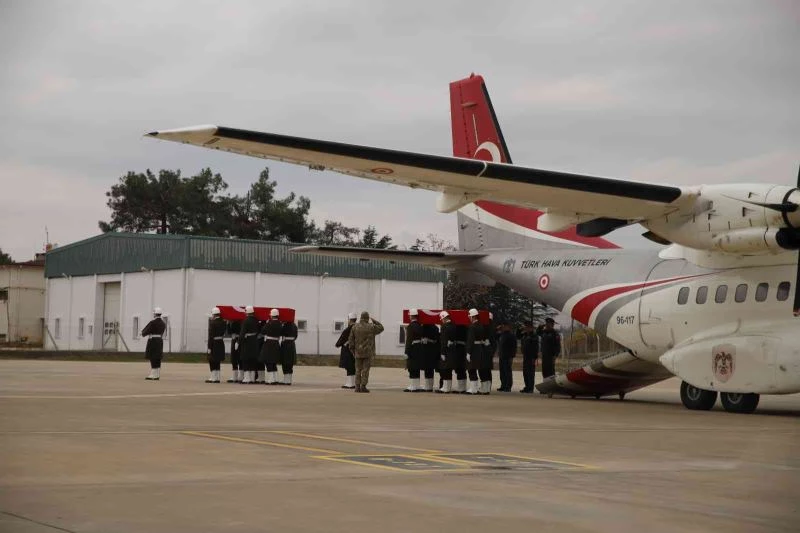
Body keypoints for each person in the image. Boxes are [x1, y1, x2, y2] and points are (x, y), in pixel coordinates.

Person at [347, 311, 384, 393]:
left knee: (357, 370)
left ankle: (357, 387)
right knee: (365, 370)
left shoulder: (355, 327)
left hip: (358, 352)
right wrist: (374, 320)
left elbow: (351, 340)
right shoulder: (371, 327)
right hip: (368, 352)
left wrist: (353, 350)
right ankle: (363, 386)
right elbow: (381, 328)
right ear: (367, 318)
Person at [465, 308, 488, 395]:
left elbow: (470, 340)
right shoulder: (481, 326)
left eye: (470, 316)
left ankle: (473, 388)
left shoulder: (472, 327)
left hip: (474, 349)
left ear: (473, 317)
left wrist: (468, 352)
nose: (469, 318)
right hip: (480, 349)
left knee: (471, 369)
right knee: (480, 368)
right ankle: (484, 388)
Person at [142, 307, 166, 380]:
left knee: (153, 357)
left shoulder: (153, 322)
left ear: (155, 314)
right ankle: (157, 374)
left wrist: (143, 333)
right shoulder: (163, 323)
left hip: (153, 340)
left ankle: (153, 374)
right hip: (159, 340)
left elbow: (146, 330)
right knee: (158, 357)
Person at [260, 309, 283, 385]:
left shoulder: (269, 323)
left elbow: (263, 331)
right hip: (276, 343)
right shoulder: (280, 324)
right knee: (273, 362)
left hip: (269, 343)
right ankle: (275, 378)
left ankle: (271, 379)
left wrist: (266, 323)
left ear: (271, 315)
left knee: (268, 361)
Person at [403, 309, 424, 392]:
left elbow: (409, 340)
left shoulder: (411, 326)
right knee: (417, 367)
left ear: (411, 316)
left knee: (411, 367)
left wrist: (406, 352)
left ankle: (413, 386)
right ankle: (417, 385)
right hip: (419, 348)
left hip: (412, 349)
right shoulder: (419, 325)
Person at [335, 313, 357, 389]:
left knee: (349, 366)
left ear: (350, 319)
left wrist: (338, 344)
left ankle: (349, 383)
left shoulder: (348, 329)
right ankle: (353, 383)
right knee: (353, 366)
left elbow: (342, 338)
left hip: (347, 349)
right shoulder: (357, 327)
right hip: (355, 350)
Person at [238, 306, 259, 384]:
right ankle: (252, 378)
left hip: (247, 342)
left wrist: (238, 342)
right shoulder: (256, 320)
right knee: (252, 360)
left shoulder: (246, 321)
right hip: (254, 341)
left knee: (245, 359)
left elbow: (242, 333)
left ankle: (247, 378)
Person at [206, 307, 226, 383]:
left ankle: (213, 377)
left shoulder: (213, 323)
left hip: (214, 343)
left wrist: (209, 347)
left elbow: (211, 336)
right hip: (220, 342)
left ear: (214, 314)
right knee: (217, 360)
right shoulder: (223, 322)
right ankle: (217, 377)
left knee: (212, 360)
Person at [519, 321, 539, 393]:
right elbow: (517, 335)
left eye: (527, 327)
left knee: (530, 373)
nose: (526, 328)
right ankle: (527, 386)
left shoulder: (534, 336)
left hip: (531, 357)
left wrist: (535, 357)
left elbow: (535, 347)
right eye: (525, 327)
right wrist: (520, 329)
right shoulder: (524, 335)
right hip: (525, 356)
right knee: (525, 372)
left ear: (531, 327)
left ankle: (530, 388)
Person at [497, 322, 517, 391]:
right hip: (502, 355)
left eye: (506, 326)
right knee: (502, 372)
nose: (504, 327)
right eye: (503, 326)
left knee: (507, 372)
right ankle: (503, 385)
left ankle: (508, 386)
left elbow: (514, 347)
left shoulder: (511, 335)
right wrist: (497, 329)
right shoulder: (502, 335)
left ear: (509, 327)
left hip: (508, 356)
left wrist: (512, 356)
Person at [421, 320, 440, 392]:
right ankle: (429, 386)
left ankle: (428, 386)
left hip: (428, 350)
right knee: (429, 369)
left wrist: (427, 340)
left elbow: (436, 340)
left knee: (428, 369)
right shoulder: (435, 328)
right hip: (431, 351)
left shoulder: (424, 327)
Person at [280, 319, 298, 385]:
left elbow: (280, 333)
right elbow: (296, 336)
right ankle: (289, 380)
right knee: (290, 362)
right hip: (292, 344)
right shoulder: (294, 326)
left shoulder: (285, 325)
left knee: (285, 362)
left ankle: (286, 380)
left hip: (285, 345)